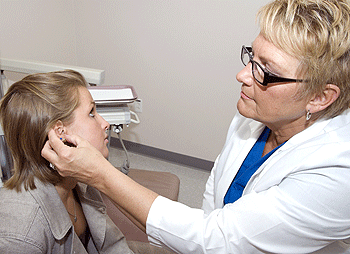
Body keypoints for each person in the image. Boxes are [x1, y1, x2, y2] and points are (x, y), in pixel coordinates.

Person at [42, 0, 350, 253]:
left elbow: (216, 239)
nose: (243, 76)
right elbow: (216, 189)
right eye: (251, 57)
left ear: (321, 96)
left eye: (265, 71)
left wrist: (100, 173)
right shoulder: (257, 111)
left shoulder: (337, 172)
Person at [0, 70, 173, 254]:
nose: (105, 123)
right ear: (60, 132)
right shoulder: (20, 233)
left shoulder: (78, 178)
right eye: (92, 113)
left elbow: (111, 245)